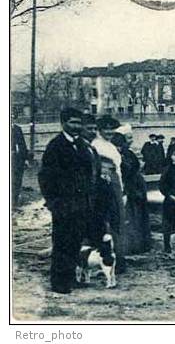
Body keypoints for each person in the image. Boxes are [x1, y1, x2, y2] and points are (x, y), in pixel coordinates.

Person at [37, 108, 94, 294]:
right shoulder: (55, 146)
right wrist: (52, 202)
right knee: (62, 242)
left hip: (81, 203)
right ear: (63, 123)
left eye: (79, 123)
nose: (77, 126)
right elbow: (45, 177)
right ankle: (59, 283)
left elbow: (87, 173)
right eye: (72, 122)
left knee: (75, 241)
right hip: (63, 204)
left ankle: (70, 278)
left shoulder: (82, 145)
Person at [93, 115, 127, 273]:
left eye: (111, 129)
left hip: (115, 185)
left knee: (117, 221)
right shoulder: (97, 145)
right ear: (99, 130)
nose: (109, 132)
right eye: (105, 129)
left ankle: (118, 257)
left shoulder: (110, 145)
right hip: (106, 187)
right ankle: (110, 258)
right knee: (109, 222)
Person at [115, 125, 151, 254]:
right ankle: (132, 245)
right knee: (131, 217)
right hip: (130, 189)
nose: (131, 140)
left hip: (136, 187)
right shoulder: (120, 153)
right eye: (128, 138)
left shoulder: (128, 153)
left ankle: (140, 244)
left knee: (138, 216)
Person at [12, 121, 30, 209]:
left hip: (17, 158)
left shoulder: (17, 129)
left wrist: (25, 159)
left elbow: (22, 144)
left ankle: (14, 201)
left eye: (12, 116)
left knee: (17, 179)